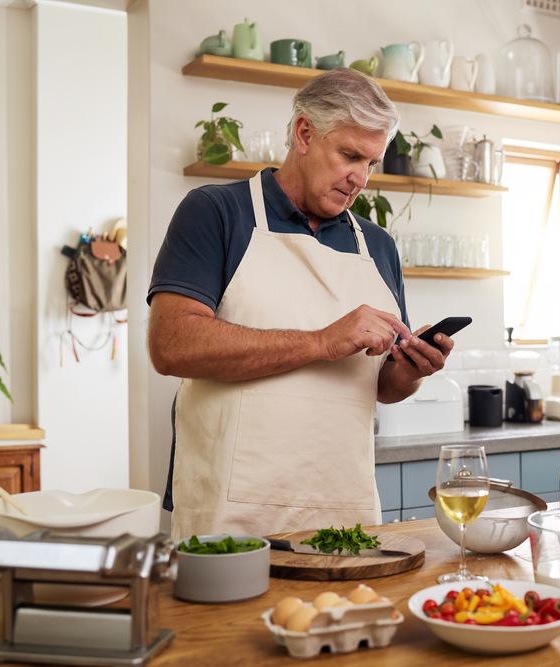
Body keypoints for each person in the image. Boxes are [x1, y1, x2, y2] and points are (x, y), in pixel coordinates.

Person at [147, 68, 455, 539]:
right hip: (230, 517)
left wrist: (410, 371)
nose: (359, 179)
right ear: (304, 133)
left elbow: (382, 387)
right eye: (349, 155)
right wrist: (323, 341)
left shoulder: (378, 246)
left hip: (344, 510)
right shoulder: (216, 212)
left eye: (370, 163)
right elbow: (171, 345)